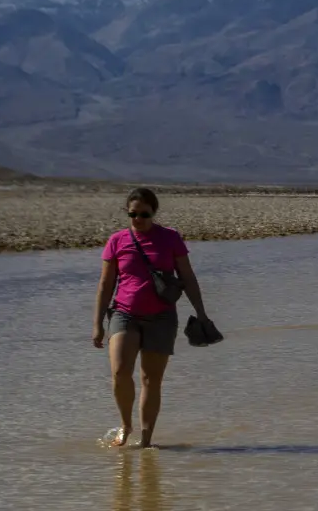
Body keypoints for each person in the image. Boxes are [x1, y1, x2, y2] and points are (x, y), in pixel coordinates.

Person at [92, 187, 214, 448]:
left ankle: (146, 442)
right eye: (133, 214)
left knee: (151, 379)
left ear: (153, 212)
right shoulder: (117, 241)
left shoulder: (170, 238)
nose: (138, 219)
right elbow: (105, 284)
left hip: (162, 317)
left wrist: (201, 312)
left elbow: (188, 277)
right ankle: (126, 425)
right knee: (120, 372)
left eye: (144, 214)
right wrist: (97, 324)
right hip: (124, 313)